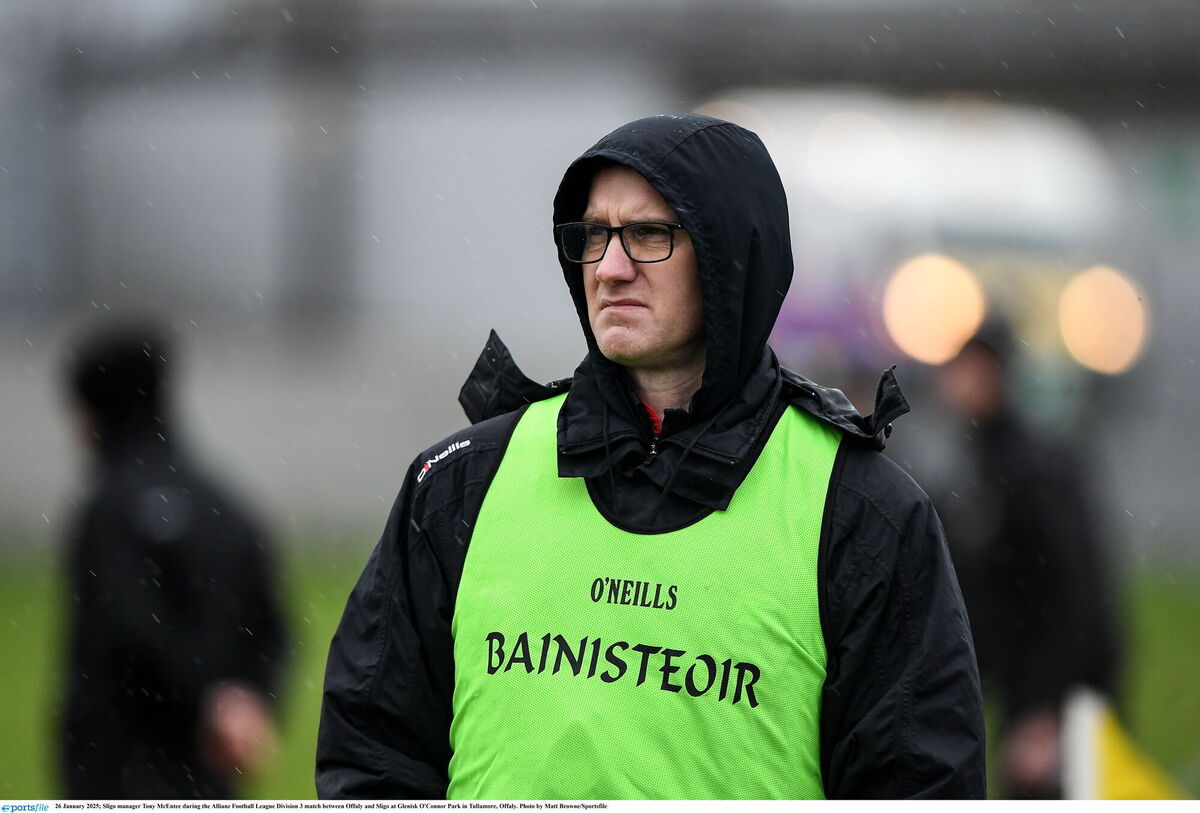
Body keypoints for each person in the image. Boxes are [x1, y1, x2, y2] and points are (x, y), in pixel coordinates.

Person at [317, 114, 985, 799]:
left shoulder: (862, 511)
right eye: (594, 236)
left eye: (648, 235)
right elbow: (371, 754)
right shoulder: (460, 481)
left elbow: (919, 782)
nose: (608, 268)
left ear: (730, 258)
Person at [60, 322, 287, 799]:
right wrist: (243, 702)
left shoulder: (107, 510)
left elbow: (129, 628)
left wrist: (206, 702)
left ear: (95, 415)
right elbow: (270, 626)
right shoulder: (225, 505)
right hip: (207, 773)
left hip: (118, 767)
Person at [932, 324, 1120, 799]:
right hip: (1021, 688)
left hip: (1057, 699)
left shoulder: (1033, 467)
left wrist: (1047, 709)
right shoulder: (984, 458)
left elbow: (1075, 593)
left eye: (969, 367)